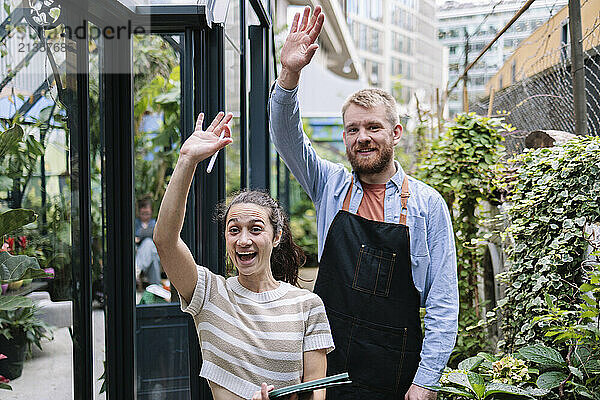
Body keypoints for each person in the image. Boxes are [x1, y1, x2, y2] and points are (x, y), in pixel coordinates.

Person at [269, 6, 458, 400]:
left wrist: (426, 380)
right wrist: (289, 74)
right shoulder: (329, 185)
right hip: (327, 366)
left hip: (397, 373)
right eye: (353, 129)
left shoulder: (427, 204)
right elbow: (286, 134)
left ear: (396, 132)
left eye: (373, 127)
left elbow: (442, 301)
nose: (363, 137)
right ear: (344, 137)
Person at [153, 111, 335, 400]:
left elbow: (317, 391)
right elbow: (164, 240)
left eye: (256, 229)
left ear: (276, 237)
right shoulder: (209, 294)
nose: (243, 240)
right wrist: (187, 160)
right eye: (233, 230)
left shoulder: (307, 305)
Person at [135, 197, 162, 286]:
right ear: (139, 213)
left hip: (154, 250)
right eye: (142, 214)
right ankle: (156, 287)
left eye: (147, 214)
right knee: (151, 253)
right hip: (138, 252)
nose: (145, 216)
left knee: (149, 244)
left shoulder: (155, 223)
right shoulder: (135, 223)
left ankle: (137, 269)